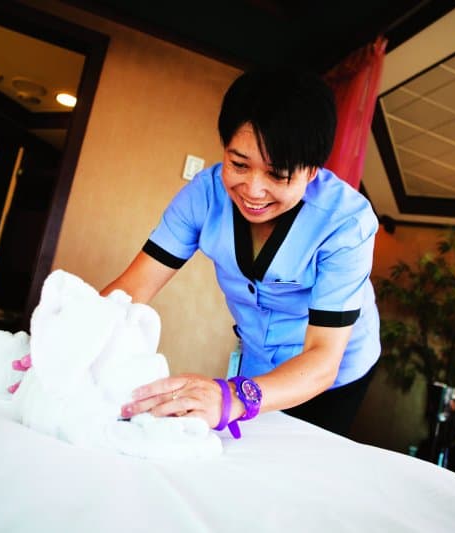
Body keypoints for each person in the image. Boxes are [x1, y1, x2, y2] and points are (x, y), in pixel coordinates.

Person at [104, 69, 380, 437]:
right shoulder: (204, 196)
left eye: (277, 175)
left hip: (332, 374)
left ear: (312, 172)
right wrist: (73, 335)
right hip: (258, 361)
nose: (253, 189)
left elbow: (323, 358)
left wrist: (233, 397)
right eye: (238, 164)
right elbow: (132, 288)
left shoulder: (347, 223)